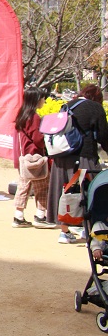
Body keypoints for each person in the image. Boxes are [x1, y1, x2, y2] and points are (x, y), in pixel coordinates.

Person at [48, 84, 108, 244]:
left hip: (61, 156)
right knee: (89, 193)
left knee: (64, 193)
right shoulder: (95, 108)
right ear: (97, 97)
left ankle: (64, 231)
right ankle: (88, 229)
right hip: (84, 156)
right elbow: (103, 135)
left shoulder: (66, 105)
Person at [12, 86, 53, 228]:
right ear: (36, 99)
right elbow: (38, 138)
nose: (44, 101)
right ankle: (40, 216)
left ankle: (18, 216)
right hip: (35, 156)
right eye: (42, 98)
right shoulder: (34, 117)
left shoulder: (22, 114)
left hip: (24, 157)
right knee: (42, 186)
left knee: (24, 186)